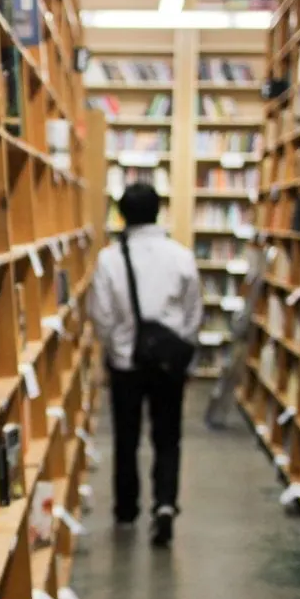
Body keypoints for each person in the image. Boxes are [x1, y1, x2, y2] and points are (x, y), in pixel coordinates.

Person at [88, 182, 203, 547]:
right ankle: (165, 505)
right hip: (168, 363)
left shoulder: (109, 258)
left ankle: (126, 511)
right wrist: (175, 345)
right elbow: (193, 312)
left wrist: (117, 346)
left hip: (126, 363)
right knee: (168, 436)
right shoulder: (181, 255)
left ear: (121, 215)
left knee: (127, 437)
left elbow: (101, 315)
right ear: (158, 212)